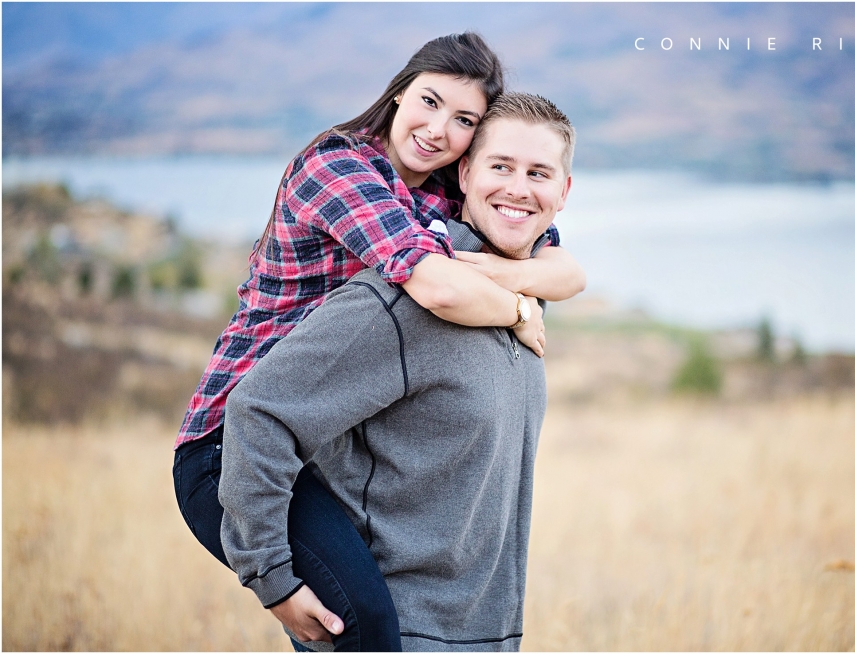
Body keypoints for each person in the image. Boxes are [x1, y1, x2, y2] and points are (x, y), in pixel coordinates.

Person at [172, 34, 585, 651]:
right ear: (398, 92)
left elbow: (567, 269)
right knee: (362, 623)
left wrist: (523, 285)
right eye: (429, 101)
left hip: (309, 434)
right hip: (230, 440)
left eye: (464, 119)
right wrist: (518, 308)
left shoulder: (439, 193)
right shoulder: (338, 167)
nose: (439, 128)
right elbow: (436, 287)